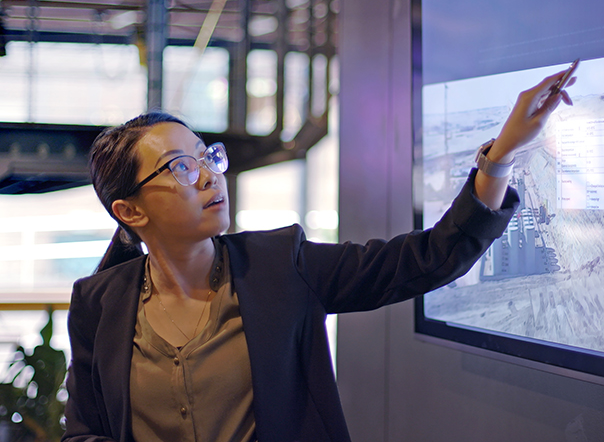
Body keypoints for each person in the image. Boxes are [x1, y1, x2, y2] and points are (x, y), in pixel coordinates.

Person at [62, 69, 575, 442]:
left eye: (206, 155)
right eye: (179, 167)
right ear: (130, 212)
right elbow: (84, 432)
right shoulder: (98, 302)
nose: (208, 174)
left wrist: (501, 156)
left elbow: (430, 258)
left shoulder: (280, 265)